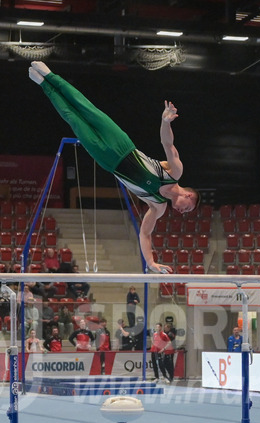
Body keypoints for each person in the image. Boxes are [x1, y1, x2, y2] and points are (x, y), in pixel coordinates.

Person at [29, 61, 198, 273]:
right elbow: (167, 144)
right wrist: (166, 122)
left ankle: (44, 85)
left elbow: (145, 234)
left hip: (109, 162)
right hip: (123, 144)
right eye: (187, 207)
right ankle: (51, 76)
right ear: (188, 195)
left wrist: (151, 263)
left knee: (73, 120)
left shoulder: (159, 207)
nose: (183, 211)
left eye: (186, 212)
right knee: (86, 108)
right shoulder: (175, 173)